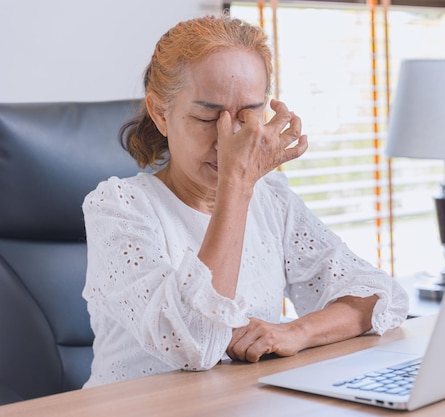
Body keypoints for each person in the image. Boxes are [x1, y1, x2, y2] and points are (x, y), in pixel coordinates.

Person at [82, 13, 409, 388]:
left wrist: (296, 332)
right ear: (160, 113)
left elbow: (378, 296)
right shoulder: (118, 207)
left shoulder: (272, 200)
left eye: (248, 115)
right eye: (208, 118)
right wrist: (236, 184)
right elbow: (195, 345)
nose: (231, 139)